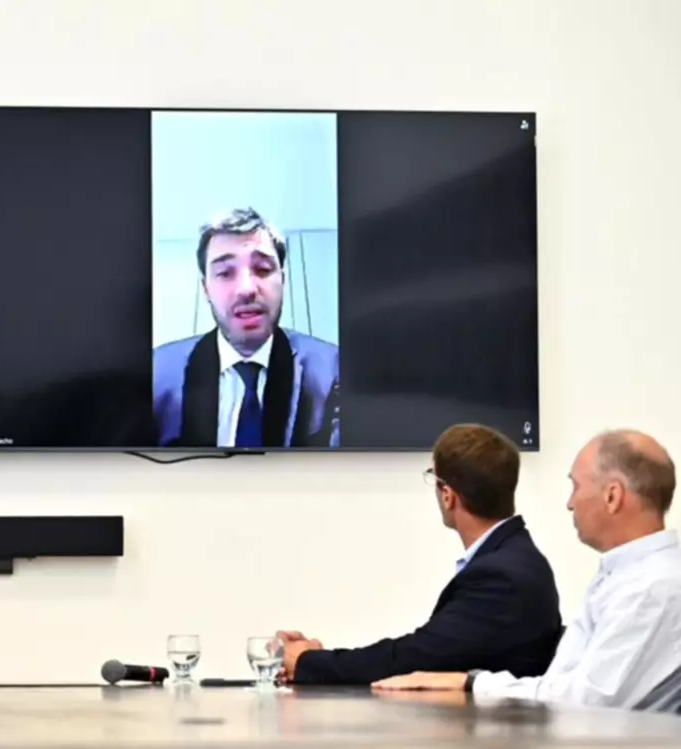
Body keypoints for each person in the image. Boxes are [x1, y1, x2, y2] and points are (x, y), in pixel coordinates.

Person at [375, 430, 681, 711]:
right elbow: (562, 687)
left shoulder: (652, 589)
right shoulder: (629, 576)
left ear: (612, 496)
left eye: (575, 486)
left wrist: (471, 682)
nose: (569, 503)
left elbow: (585, 703)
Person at [275, 424, 562, 685]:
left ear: (448, 495)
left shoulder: (501, 576)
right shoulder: (512, 557)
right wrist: (316, 661)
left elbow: (413, 659)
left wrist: (309, 662)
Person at [152, 207, 339, 448]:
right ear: (206, 289)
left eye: (263, 269)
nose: (246, 289)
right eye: (225, 273)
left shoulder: (334, 370)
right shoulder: (155, 372)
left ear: (282, 280)